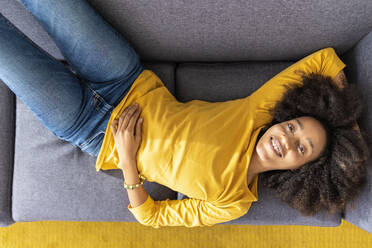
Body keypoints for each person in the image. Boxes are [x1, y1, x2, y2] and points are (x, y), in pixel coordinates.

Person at [0, 0, 369, 229]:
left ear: (299, 169)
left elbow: (152, 217)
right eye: (293, 127)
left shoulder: (233, 202)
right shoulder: (256, 114)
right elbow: (324, 60)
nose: (286, 139)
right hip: (122, 78)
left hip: (87, 127)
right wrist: (344, 135)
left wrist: (128, 160)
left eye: (301, 149)